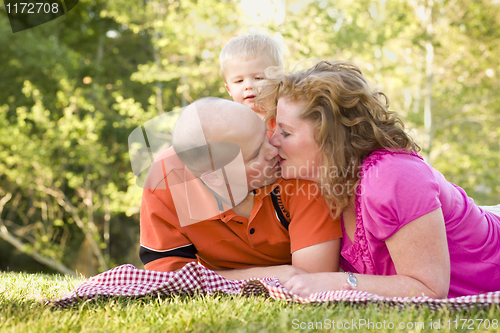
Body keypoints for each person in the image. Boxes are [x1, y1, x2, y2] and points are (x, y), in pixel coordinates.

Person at [255, 60, 500, 298]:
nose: (273, 140)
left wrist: (339, 282)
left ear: (329, 137)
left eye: (285, 132)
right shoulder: (318, 185)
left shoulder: (392, 177)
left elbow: (429, 289)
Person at [139, 97, 342, 282]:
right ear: (216, 177)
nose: (274, 150)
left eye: (265, 135)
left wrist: (210, 279)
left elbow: (313, 281)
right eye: (255, 155)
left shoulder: (294, 168)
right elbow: (166, 278)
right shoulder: (164, 182)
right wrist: (265, 275)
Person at [220, 34, 284, 120]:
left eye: (258, 78)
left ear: (278, 81)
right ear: (229, 89)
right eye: (239, 81)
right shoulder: (229, 124)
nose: (249, 86)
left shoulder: (286, 118)